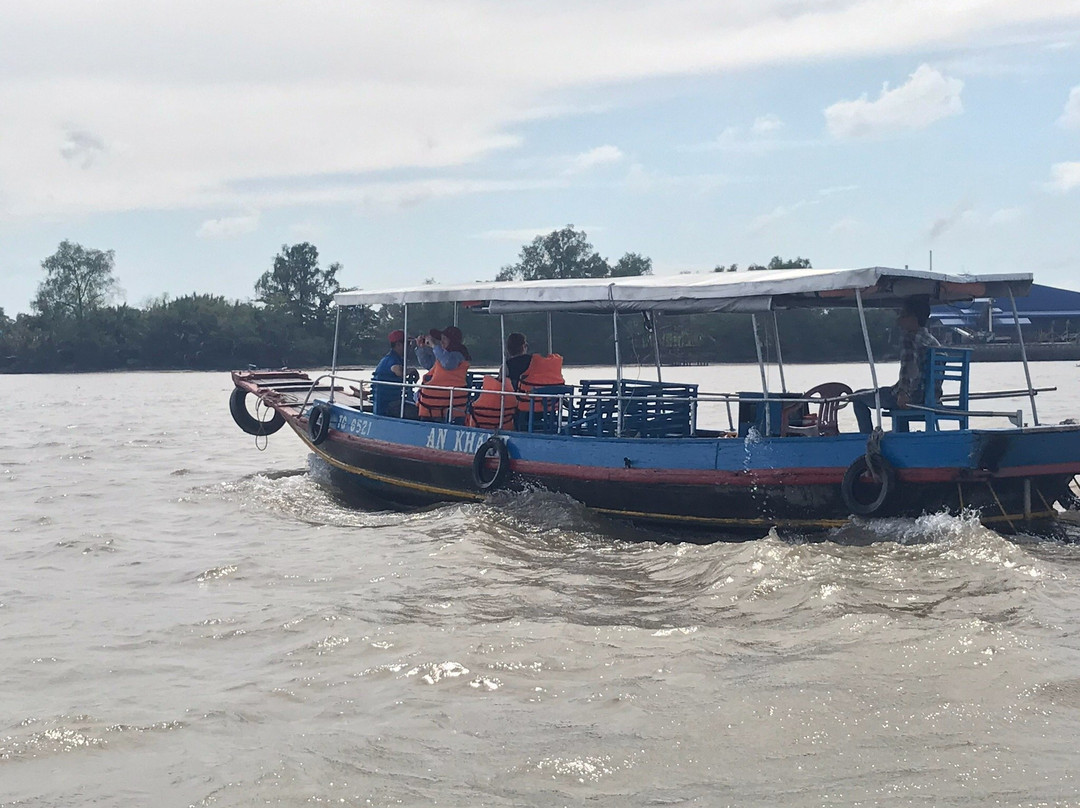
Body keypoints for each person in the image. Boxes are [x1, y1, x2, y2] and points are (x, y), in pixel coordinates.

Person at [852, 296, 941, 433]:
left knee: (857, 397)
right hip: (931, 398)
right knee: (888, 393)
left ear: (913, 318)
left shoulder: (910, 338)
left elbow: (909, 367)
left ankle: (867, 439)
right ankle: (902, 435)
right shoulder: (933, 341)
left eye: (902, 315)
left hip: (913, 397)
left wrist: (903, 392)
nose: (898, 320)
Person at [415, 325, 472, 422]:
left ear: (452, 340)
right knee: (415, 396)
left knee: (414, 398)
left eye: (444, 339)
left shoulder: (458, 355)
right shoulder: (443, 355)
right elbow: (427, 364)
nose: (441, 342)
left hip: (444, 402)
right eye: (441, 339)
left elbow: (448, 364)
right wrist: (421, 348)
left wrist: (434, 345)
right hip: (436, 402)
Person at [370, 330, 417, 417]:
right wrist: (412, 370)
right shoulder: (391, 359)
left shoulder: (396, 358)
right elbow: (398, 371)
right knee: (418, 412)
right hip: (387, 405)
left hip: (391, 402)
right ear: (398, 344)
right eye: (407, 343)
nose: (409, 346)